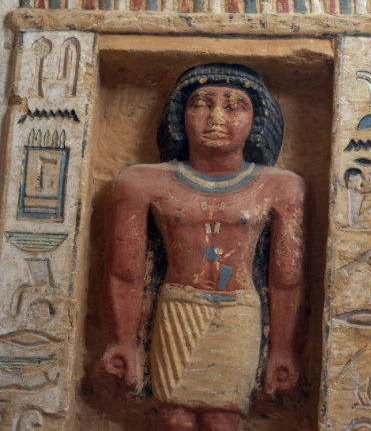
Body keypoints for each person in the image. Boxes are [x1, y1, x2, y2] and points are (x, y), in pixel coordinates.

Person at [99, 63, 307, 431]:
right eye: (201, 104)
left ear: (257, 121)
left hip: (238, 313)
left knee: (222, 421)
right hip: (176, 308)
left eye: (234, 106)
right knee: (173, 420)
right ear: (180, 116)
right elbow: (126, 272)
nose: (216, 117)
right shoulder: (140, 183)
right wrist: (123, 342)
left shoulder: (282, 188)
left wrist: (281, 350)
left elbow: (286, 279)